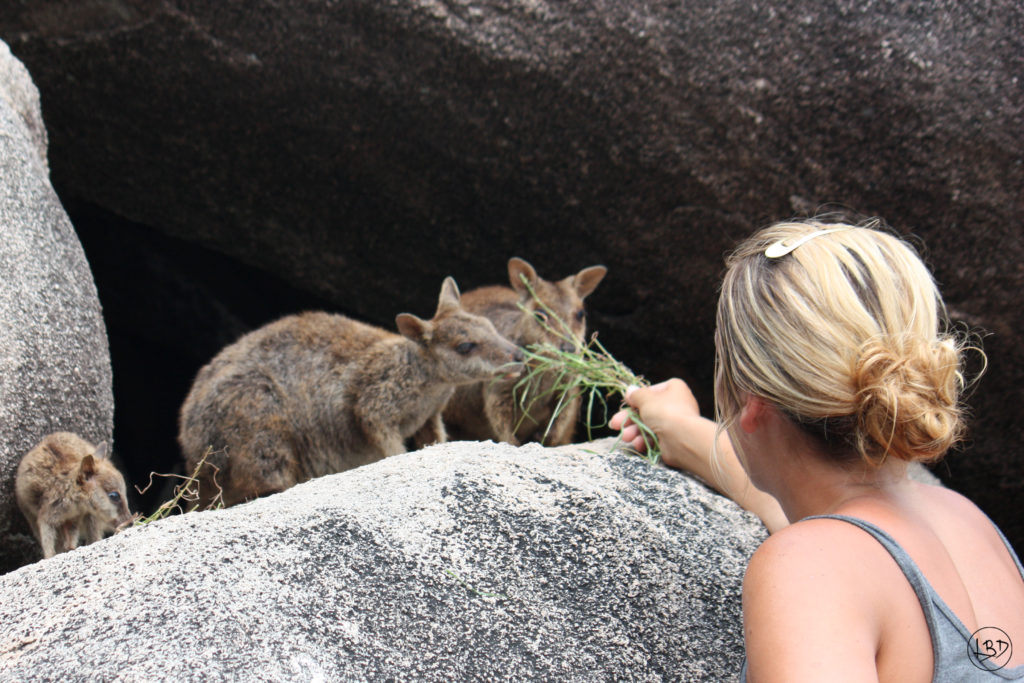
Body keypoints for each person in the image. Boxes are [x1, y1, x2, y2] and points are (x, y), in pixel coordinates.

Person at [611, 219, 1024, 681]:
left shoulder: (810, 569)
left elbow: (825, 563)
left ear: (750, 401)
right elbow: (820, 518)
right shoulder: (965, 520)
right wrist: (686, 434)